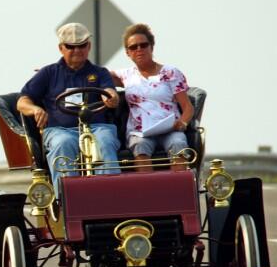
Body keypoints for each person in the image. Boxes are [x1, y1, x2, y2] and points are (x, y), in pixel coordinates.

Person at [17, 22, 121, 195]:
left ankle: (110, 196)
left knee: (105, 141)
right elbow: (22, 101)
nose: (77, 51)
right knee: (62, 144)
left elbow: (110, 92)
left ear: (89, 47)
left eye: (81, 46)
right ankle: (67, 201)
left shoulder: (100, 72)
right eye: (70, 47)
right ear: (61, 48)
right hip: (60, 130)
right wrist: (35, 109)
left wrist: (111, 97)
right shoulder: (48, 73)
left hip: (97, 128)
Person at [111, 23, 194, 172]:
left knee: (178, 143)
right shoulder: (126, 75)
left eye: (143, 45)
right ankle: (147, 192)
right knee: (140, 145)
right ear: (127, 52)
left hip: (170, 129)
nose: (139, 50)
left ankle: (179, 190)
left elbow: (188, 107)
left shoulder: (170, 72)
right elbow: (98, 75)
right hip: (140, 131)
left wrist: (182, 123)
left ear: (152, 47)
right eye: (133, 47)